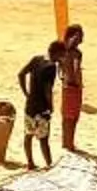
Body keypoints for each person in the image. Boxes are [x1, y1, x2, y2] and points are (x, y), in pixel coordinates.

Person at [17, 42, 60, 168]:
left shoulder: (37, 59)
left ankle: (30, 163)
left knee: (28, 134)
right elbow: (48, 89)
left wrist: (26, 93)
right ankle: (49, 164)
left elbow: (21, 74)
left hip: (30, 105)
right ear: (57, 53)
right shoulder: (51, 67)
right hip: (42, 108)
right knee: (44, 139)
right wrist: (50, 106)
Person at [56, 23, 87, 153]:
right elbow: (75, 69)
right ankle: (69, 143)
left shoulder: (63, 51)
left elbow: (60, 71)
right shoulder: (75, 53)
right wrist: (79, 84)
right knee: (72, 117)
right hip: (73, 86)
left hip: (67, 86)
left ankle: (66, 142)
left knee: (68, 117)